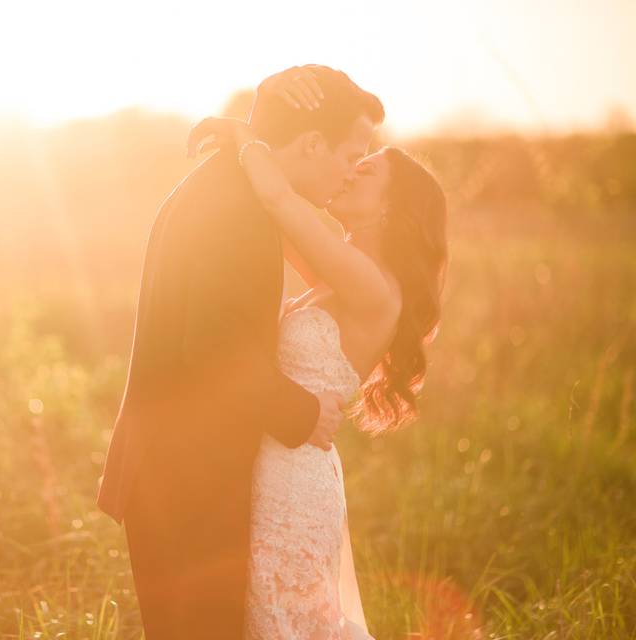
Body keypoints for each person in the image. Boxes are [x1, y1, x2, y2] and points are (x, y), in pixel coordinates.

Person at [96, 65, 385, 639]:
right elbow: (214, 353)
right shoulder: (237, 211)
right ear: (310, 144)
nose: (351, 173)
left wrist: (249, 128)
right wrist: (305, 413)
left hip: (176, 472)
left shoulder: (234, 185)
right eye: (351, 154)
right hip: (185, 483)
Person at [187, 65, 449, 639]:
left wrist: (241, 137)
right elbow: (272, 210)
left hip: (292, 478)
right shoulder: (341, 263)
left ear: (391, 207)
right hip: (277, 455)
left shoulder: (373, 286)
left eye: (367, 169)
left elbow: (278, 197)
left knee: (283, 623)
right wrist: (265, 106)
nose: (349, 171)